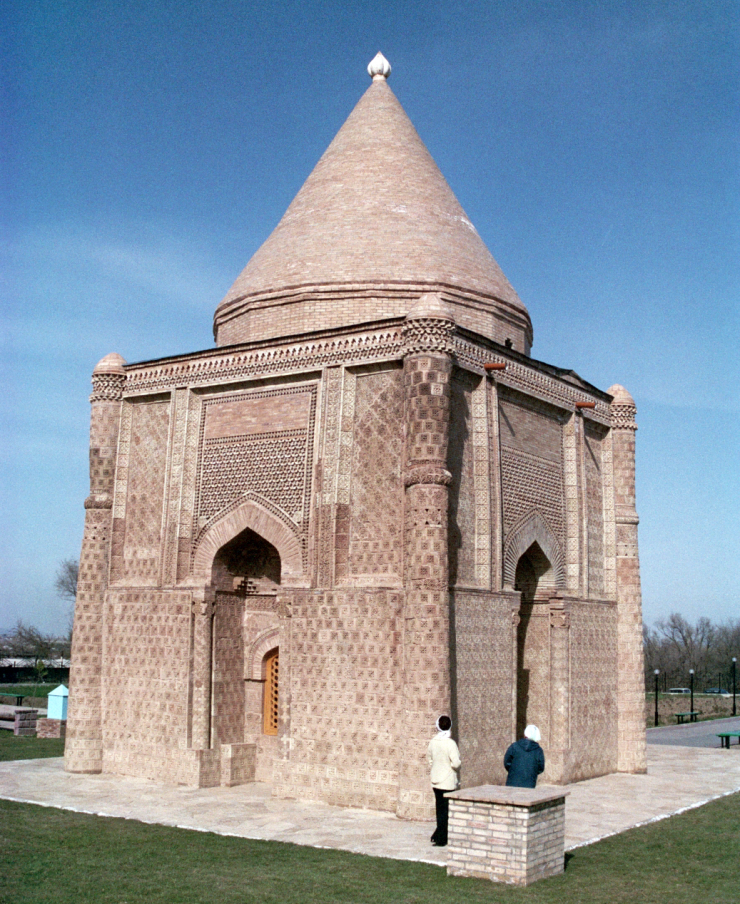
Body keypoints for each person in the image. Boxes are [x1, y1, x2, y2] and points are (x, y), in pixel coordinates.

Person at [427, 715, 461, 846]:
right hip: (447, 782)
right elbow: (456, 763)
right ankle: (442, 837)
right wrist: (451, 766)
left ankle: (439, 834)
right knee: (446, 810)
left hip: (436, 780)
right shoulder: (450, 743)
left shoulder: (433, 742)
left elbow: (430, 759)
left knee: (439, 809)